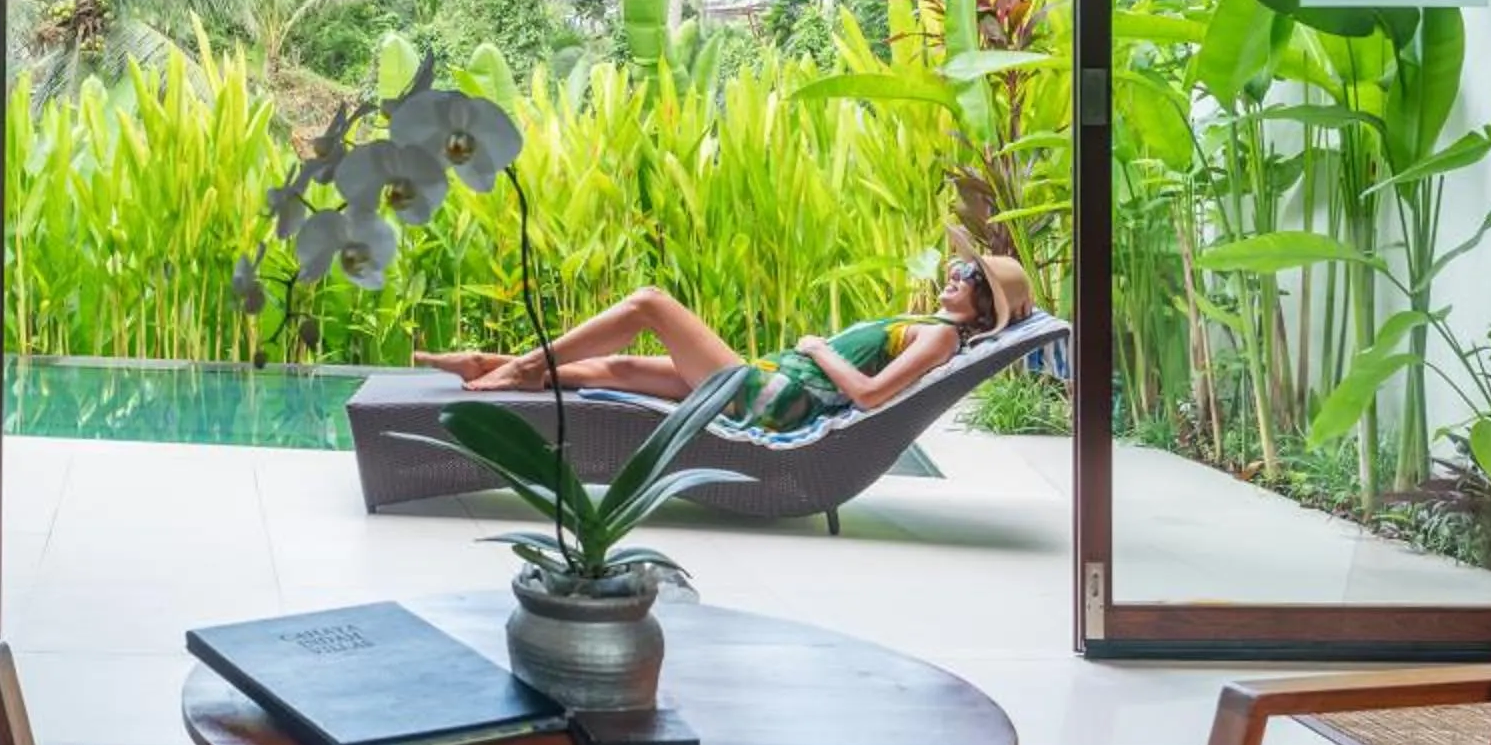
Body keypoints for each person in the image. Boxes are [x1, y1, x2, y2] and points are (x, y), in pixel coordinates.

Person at [416, 250, 1033, 433]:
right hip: (769, 382)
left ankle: (523, 366)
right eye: (955, 271)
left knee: (652, 301)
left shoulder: (941, 339)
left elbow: (870, 397)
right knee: (620, 366)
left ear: (984, 309)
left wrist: (818, 350)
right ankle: (486, 363)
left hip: (773, 398)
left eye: (968, 278)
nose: (954, 278)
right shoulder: (925, 324)